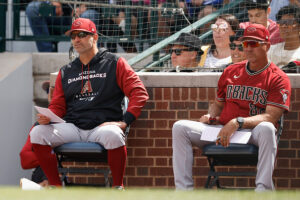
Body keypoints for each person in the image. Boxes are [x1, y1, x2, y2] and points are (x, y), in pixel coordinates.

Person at [22, 18, 149, 188]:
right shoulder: (66, 71)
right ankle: (56, 187)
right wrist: (48, 117)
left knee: (114, 135)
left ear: (95, 37)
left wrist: (125, 121)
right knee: (38, 132)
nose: (76, 39)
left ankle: (118, 187)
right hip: (74, 127)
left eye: (82, 34)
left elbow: (139, 93)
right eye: (73, 36)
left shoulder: (115, 63)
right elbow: (58, 106)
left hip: (102, 127)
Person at [172, 24, 291, 191]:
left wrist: (237, 122)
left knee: (267, 128)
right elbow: (218, 104)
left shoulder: (278, 77)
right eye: (245, 44)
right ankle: (183, 191)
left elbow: (271, 117)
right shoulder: (231, 71)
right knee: (180, 127)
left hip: (252, 134)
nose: (248, 48)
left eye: (254, 44)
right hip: (223, 130)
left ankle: (263, 190)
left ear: (267, 45)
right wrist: (211, 116)